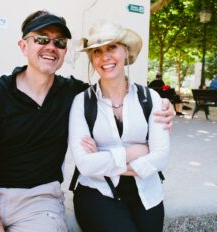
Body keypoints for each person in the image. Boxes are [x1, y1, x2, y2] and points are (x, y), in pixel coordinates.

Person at [0, 10, 175, 232]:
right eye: (41, 39)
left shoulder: (72, 94)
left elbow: (112, 89)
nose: (51, 47)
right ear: (23, 46)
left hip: (39, 201)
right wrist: (138, 151)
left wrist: (166, 105)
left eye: (59, 42)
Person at [68, 21, 169, 232]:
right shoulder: (82, 102)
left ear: (126, 51)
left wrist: (104, 158)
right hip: (97, 192)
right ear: (92, 59)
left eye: (112, 47)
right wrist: (137, 151)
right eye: (97, 51)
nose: (105, 57)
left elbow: (161, 157)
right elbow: (85, 165)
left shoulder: (150, 98)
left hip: (147, 193)